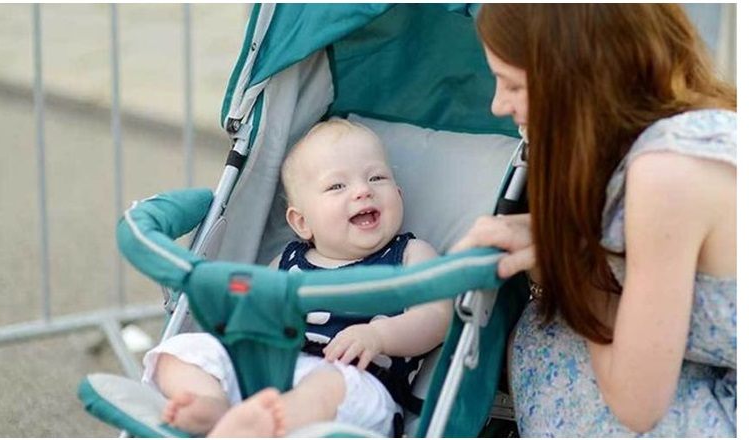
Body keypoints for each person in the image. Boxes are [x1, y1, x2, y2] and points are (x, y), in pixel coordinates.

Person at [449, 4, 737, 437]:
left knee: (554, 349)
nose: (496, 105)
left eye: (512, 84)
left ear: (575, 79)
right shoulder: (668, 123)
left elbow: (637, 407)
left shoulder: (667, 175)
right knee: (546, 337)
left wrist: (573, 262)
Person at [142, 118, 452, 437]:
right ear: (302, 222)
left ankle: (262, 426)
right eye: (337, 186)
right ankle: (211, 402)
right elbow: (256, 310)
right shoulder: (288, 262)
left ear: (398, 194)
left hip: (358, 382)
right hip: (274, 369)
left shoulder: (409, 255)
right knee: (180, 350)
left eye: (377, 177)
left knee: (326, 385)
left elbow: (438, 314)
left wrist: (379, 336)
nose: (363, 191)